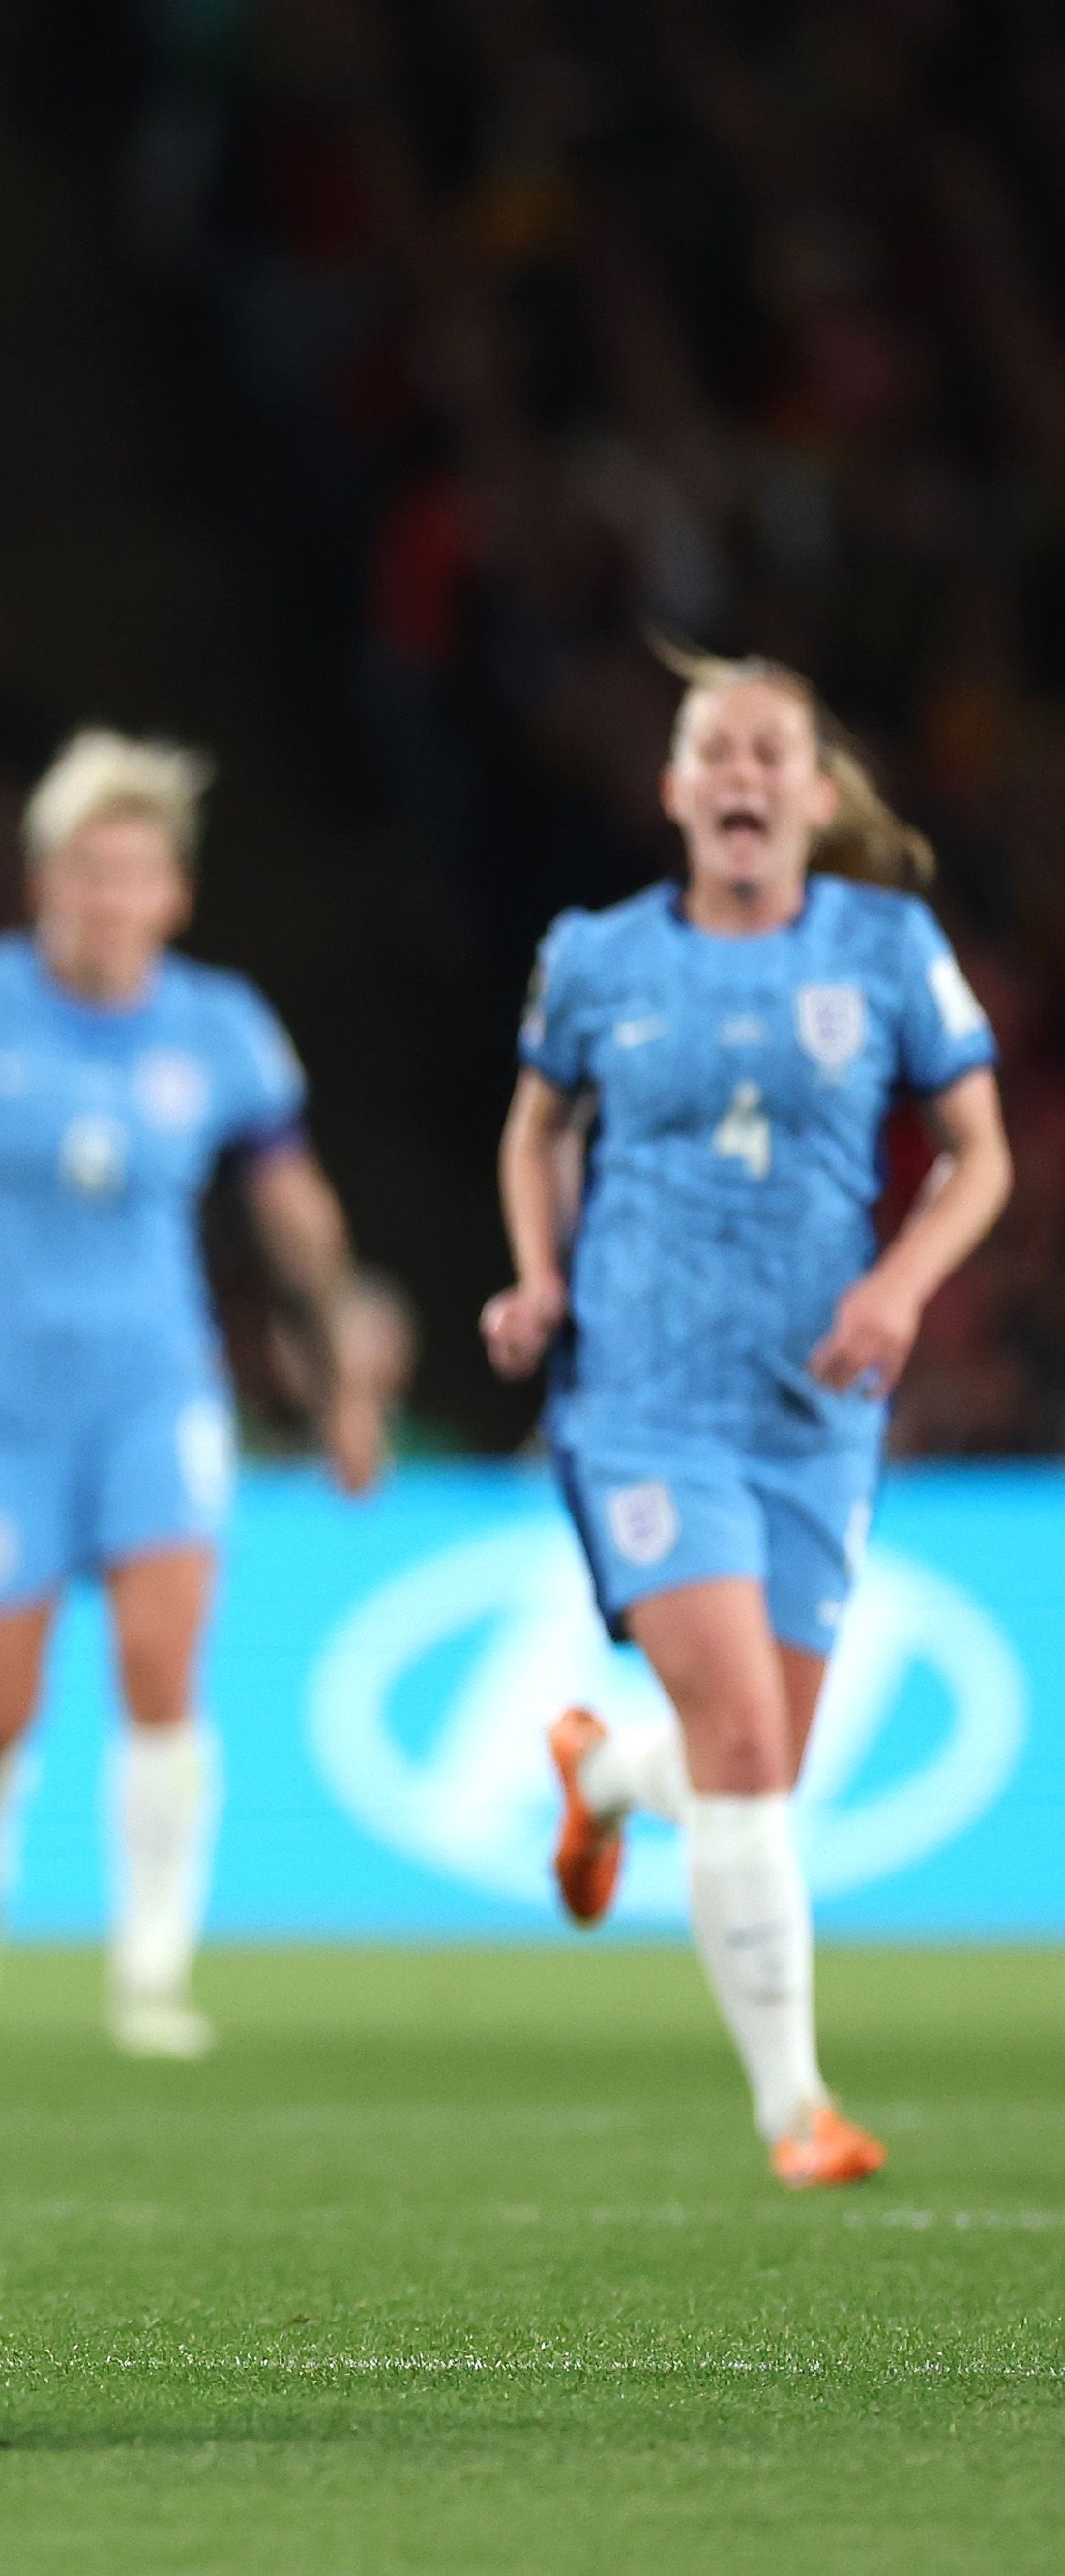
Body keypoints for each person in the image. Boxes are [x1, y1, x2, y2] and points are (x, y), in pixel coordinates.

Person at [0, 729, 392, 2061]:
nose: (105, 897)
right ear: (40, 879)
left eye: (132, 872)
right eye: (81, 868)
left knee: (159, 1665)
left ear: (172, 893)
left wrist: (342, 1371)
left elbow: (295, 1216)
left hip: (157, 1396)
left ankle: (152, 1968)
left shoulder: (224, 1029)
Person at [493, 645, 1008, 2190]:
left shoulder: (889, 946)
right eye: (710, 749)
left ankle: (597, 1780)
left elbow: (979, 1156)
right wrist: (535, 1277)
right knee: (735, 1728)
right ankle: (798, 2109)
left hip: (814, 1409)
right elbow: (535, 1130)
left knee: (752, 1762)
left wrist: (902, 1283)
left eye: (767, 751)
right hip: (644, 1401)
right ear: (672, 789)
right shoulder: (594, 957)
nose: (738, 774)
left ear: (814, 791)